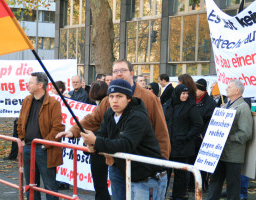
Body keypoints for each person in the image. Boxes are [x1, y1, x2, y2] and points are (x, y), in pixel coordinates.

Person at [56, 59, 170, 200]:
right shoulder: (108, 105)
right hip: (116, 164)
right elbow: (93, 120)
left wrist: (162, 163)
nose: (119, 74)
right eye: (115, 71)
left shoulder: (148, 100)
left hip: (144, 169)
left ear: (132, 73)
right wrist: (75, 132)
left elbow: (161, 132)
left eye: (123, 70)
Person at [81, 79, 168, 200]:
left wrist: (96, 141)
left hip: (147, 178)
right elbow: (103, 134)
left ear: (128, 98)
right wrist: (92, 145)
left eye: (119, 96)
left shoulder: (137, 117)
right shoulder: (110, 113)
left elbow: (125, 144)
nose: (114, 100)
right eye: (111, 96)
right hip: (126, 173)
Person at [17, 72, 65, 200]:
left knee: (49, 186)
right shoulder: (27, 100)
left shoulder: (53, 103)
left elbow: (57, 128)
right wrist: (21, 139)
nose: (28, 85)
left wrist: (45, 144)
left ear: (40, 85)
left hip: (44, 150)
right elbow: (20, 121)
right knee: (30, 185)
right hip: (27, 148)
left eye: (31, 83)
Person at [207, 79, 253, 200]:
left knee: (233, 185)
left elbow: (246, 133)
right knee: (215, 180)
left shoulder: (243, 108)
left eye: (229, 87)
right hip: (220, 151)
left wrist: (228, 138)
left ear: (237, 90)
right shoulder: (225, 105)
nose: (226, 88)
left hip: (233, 154)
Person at [163, 84, 203, 200]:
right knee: (165, 172)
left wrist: (187, 137)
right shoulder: (168, 104)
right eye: (183, 93)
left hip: (182, 146)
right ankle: (162, 195)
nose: (185, 96)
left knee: (180, 174)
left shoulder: (190, 107)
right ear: (177, 94)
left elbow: (198, 124)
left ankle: (179, 196)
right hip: (169, 145)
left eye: (187, 94)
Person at [188, 78, 216, 192]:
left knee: (201, 164)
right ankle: (191, 185)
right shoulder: (192, 99)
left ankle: (202, 185)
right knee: (191, 161)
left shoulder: (210, 103)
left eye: (196, 90)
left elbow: (210, 121)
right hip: (192, 137)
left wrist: (202, 134)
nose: (193, 92)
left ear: (203, 90)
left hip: (202, 138)